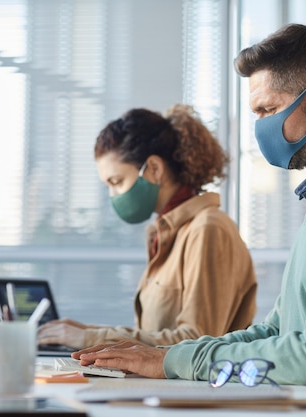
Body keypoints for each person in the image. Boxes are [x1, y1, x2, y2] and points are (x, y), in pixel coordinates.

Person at [73, 23, 306, 404]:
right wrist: (168, 358)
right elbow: (277, 332)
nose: (259, 127)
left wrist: (174, 361)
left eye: (267, 109)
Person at [37, 104, 257, 350]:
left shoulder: (207, 229)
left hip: (195, 389)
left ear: (153, 168)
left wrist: (91, 339)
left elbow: (198, 342)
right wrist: (85, 332)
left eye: (117, 181)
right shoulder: (167, 234)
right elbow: (156, 335)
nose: (113, 195)